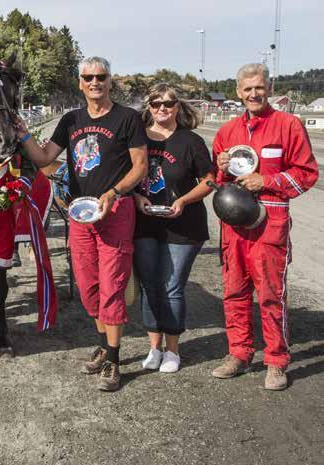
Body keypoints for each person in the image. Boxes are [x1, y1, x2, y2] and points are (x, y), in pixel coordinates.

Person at [17, 56, 148, 391]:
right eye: (88, 77)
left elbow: (140, 167)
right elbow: (45, 158)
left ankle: (114, 361)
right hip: (80, 215)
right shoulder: (71, 120)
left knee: (112, 287)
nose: (94, 83)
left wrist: (115, 192)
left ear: (109, 80)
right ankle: (105, 346)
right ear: (80, 82)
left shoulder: (127, 119)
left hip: (115, 212)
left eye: (100, 77)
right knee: (89, 292)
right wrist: (23, 134)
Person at [211, 63, 318, 391]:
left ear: (269, 89)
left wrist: (267, 180)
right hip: (234, 229)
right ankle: (239, 353)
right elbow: (219, 181)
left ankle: (276, 361)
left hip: (269, 226)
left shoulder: (288, 125)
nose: (254, 94)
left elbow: (307, 175)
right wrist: (221, 166)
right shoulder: (227, 132)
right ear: (238, 92)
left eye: (259, 87)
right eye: (247, 89)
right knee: (234, 292)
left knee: (272, 295)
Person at [133, 84, 214, 373]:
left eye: (168, 103)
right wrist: (136, 197)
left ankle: (173, 351)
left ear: (178, 106)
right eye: (156, 104)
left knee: (172, 287)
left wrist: (183, 200)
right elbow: (124, 175)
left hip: (184, 224)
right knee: (149, 286)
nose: (162, 109)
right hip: (144, 223)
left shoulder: (190, 141)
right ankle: (154, 348)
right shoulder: (138, 137)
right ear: (149, 107)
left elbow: (210, 180)